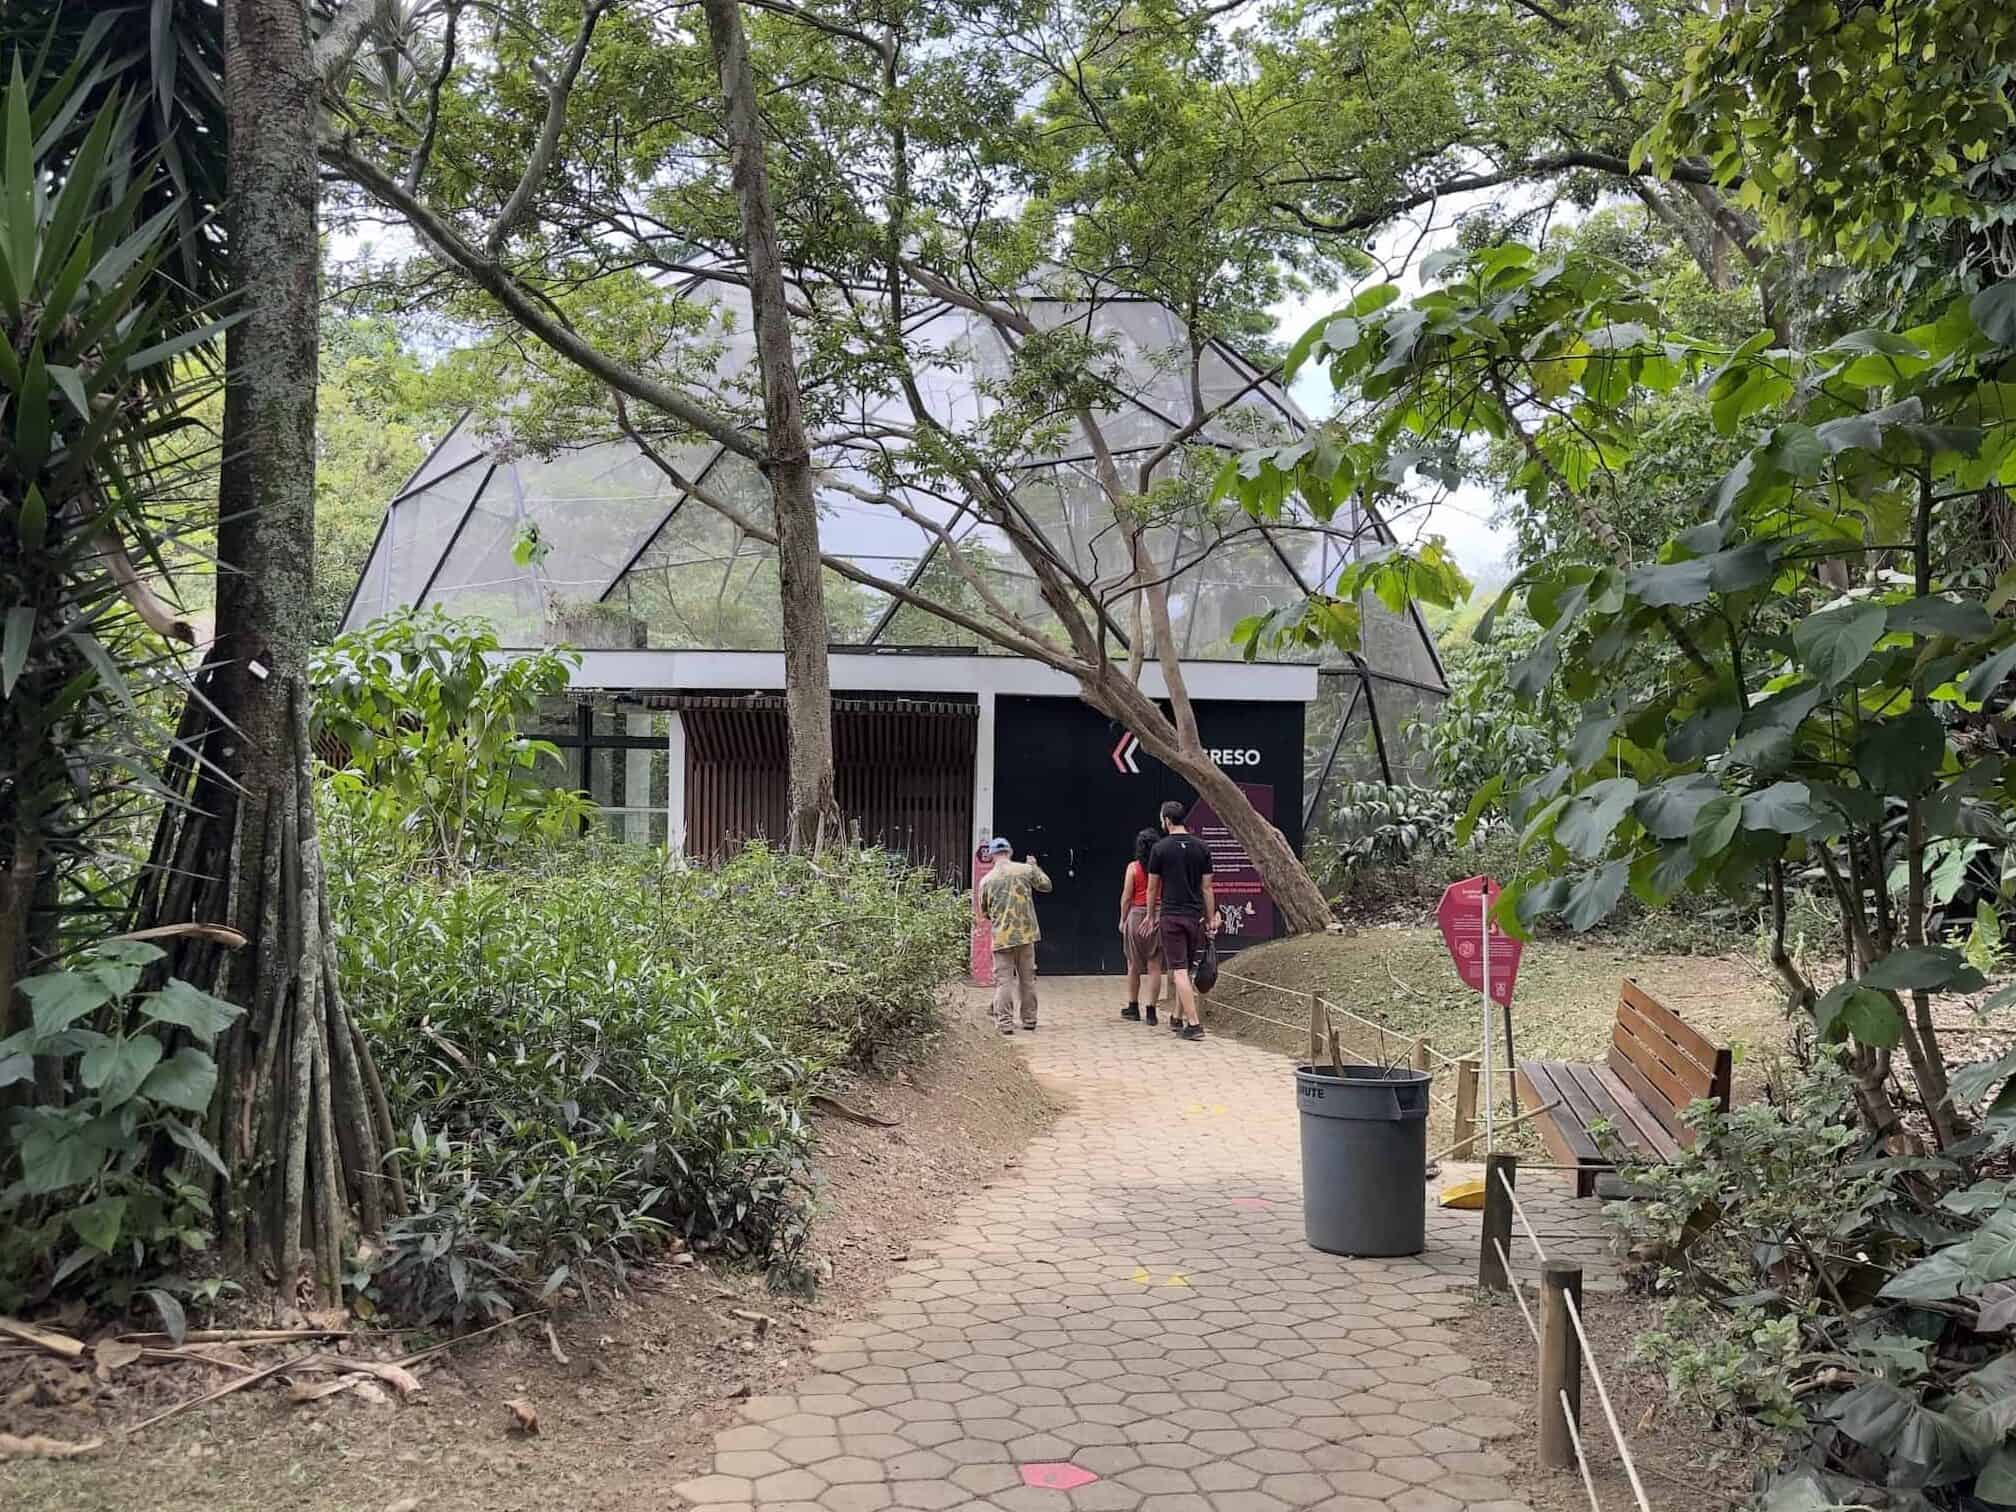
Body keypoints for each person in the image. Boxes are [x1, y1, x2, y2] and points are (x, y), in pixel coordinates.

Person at [1146, 799, 1218, 1043]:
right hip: (1194, 917)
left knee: (1178, 970)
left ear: (1166, 820)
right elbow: (1207, 888)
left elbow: (1152, 888)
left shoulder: (1160, 849)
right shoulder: (1202, 847)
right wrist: (1209, 919)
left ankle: (1194, 1024)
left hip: (1172, 916)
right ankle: (1177, 1018)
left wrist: (1149, 914)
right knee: (1184, 969)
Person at [977, 837, 1051, 1034]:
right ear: (1010, 852)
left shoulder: (986, 881)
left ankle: (1005, 1023)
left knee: (1004, 982)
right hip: (1026, 936)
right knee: (1027, 979)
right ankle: (1029, 1020)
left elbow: (983, 912)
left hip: (1001, 937)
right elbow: (1046, 885)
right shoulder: (1025, 870)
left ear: (992, 855)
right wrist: (1035, 867)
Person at [1118, 827, 1165, 1025]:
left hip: (1137, 915)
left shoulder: (1133, 868)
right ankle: (1152, 1011)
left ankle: (1133, 1007)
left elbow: (1127, 897)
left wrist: (1123, 919)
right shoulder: (1164, 867)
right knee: (1155, 965)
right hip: (1158, 915)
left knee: (1133, 965)